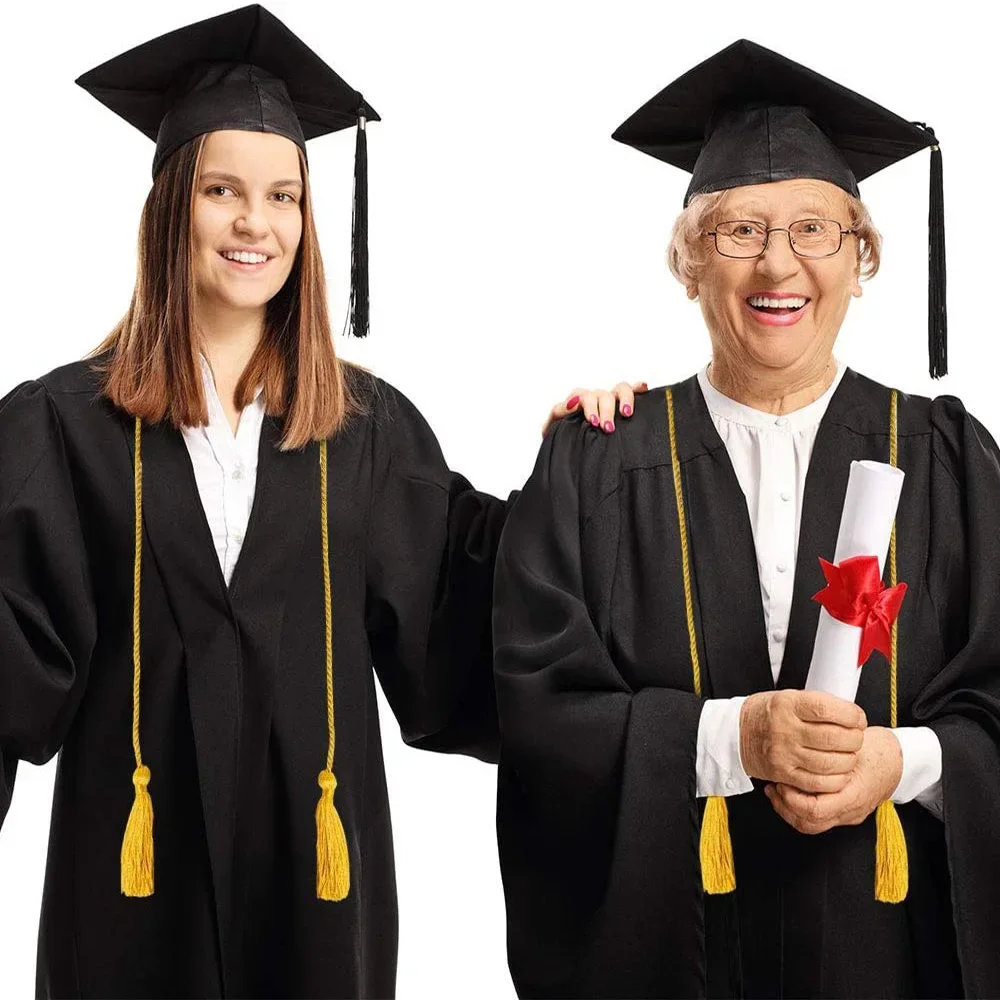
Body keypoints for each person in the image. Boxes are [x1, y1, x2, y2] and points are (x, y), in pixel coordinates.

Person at [0, 6, 640, 998]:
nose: (256, 222)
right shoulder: (62, 428)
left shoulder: (367, 430)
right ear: (174, 205)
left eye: (283, 196)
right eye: (223, 190)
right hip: (127, 908)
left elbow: (466, 616)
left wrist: (576, 477)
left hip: (317, 898)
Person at [493, 39, 1000, 999]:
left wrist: (903, 760)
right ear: (690, 263)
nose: (780, 263)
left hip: (887, 957)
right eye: (740, 231)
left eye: (816, 229)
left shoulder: (946, 458)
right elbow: (535, 709)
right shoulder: (600, 458)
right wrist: (732, 741)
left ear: (862, 260)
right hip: (671, 958)